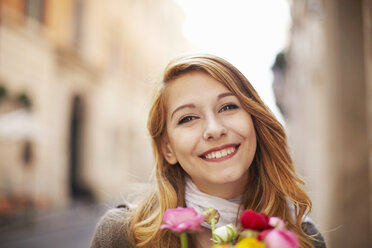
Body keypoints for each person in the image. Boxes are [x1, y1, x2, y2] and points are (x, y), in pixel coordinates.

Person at [90, 54, 326, 248]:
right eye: (188, 118)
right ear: (168, 148)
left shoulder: (302, 236)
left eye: (228, 106)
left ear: (255, 121)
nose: (214, 130)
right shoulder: (121, 236)